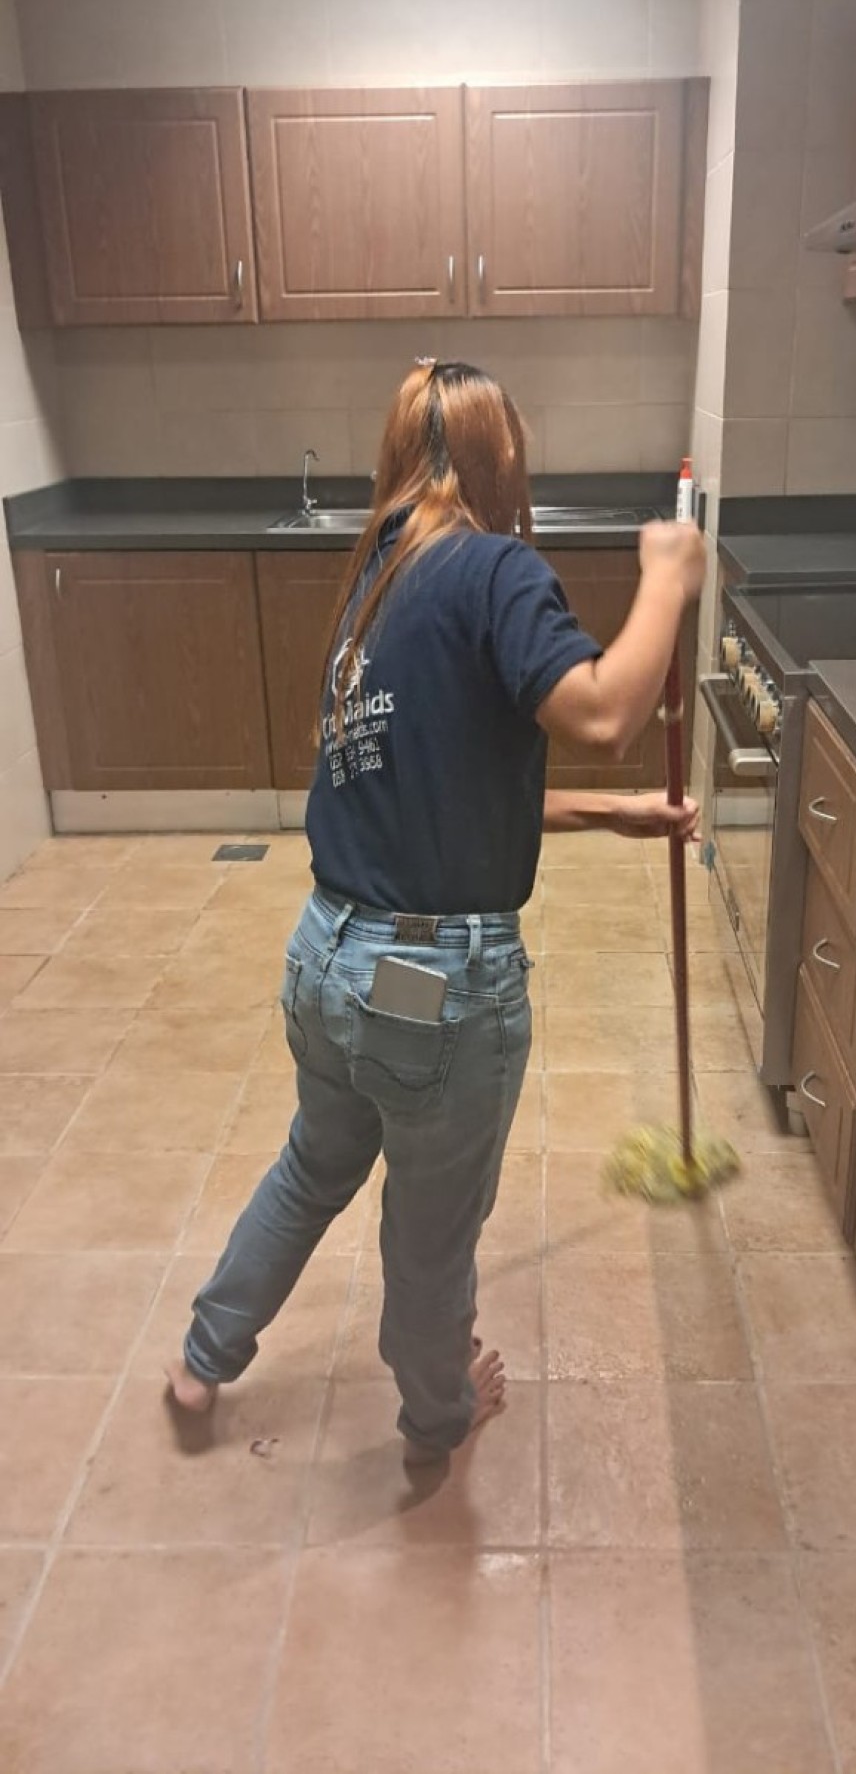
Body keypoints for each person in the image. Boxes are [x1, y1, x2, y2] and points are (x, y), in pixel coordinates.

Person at [167, 359, 705, 1465]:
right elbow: (604, 713)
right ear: (503, 457)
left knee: (312, 1165)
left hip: (326, 959)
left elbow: (431, 789)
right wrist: (668, 577)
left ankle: (200, 1359)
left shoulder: (379, 581)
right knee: (429, 1237)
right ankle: (438, 1414)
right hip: (421, 988)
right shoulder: (496, 567)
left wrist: (610, 814)